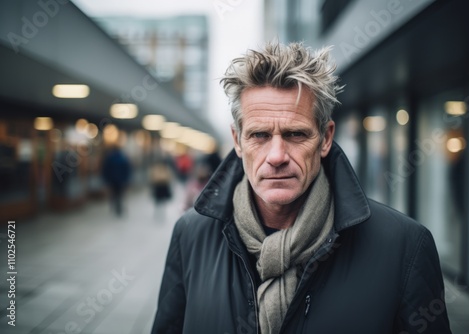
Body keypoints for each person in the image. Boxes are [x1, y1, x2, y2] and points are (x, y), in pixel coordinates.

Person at [151, 42, 452, 333]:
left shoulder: (404, 247)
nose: (277, 156)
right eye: (259, 135)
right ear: (237, 141)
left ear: (325, 138)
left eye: (295, 134)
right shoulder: (191, 234)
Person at [101, 145, 131, 216]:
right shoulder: (123, 158)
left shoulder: (109, 158)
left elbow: (106, 169)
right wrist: (126, 179)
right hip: (121, 180)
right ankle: (119, 207)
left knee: (113, 193)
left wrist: (106, 179)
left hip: (112, 179)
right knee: (120, 194)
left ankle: (114, 206)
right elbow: (127, 169)